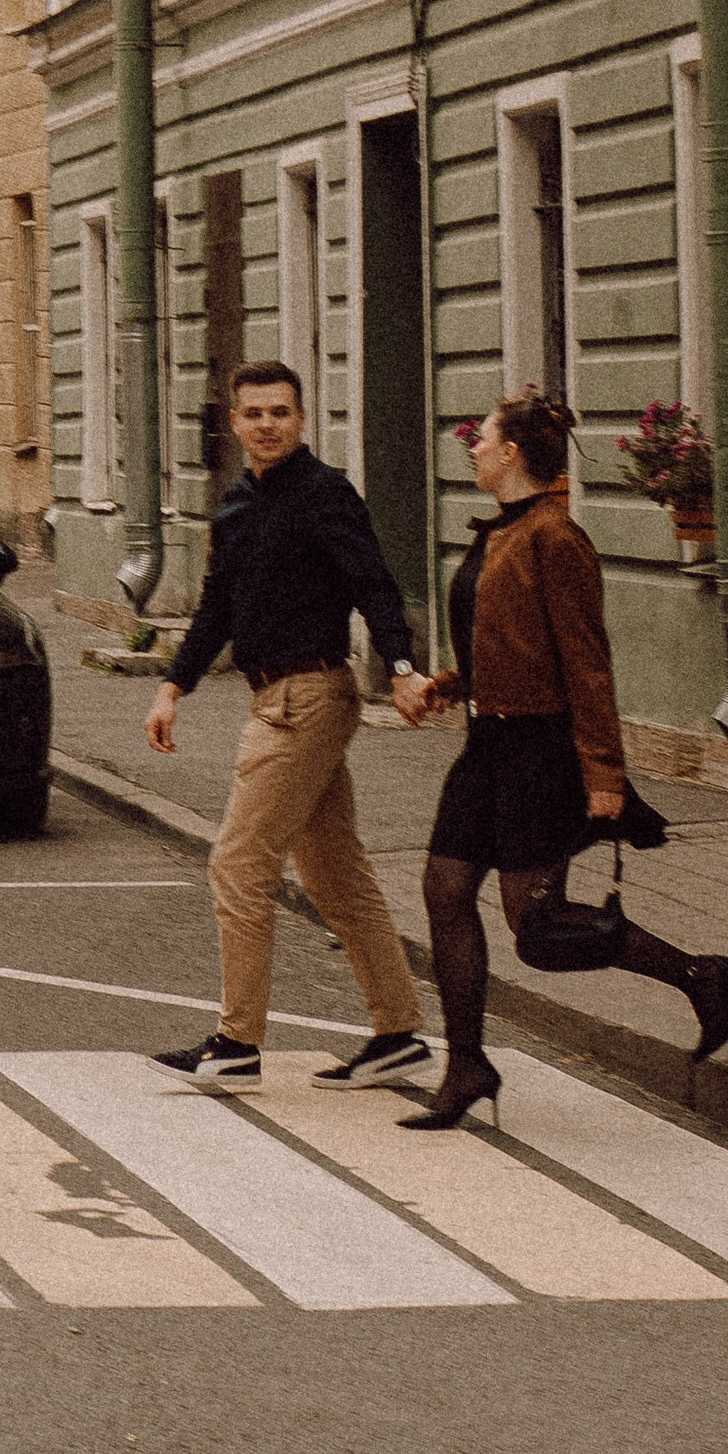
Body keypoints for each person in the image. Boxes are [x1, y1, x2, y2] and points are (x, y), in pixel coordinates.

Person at [409, 390, 728, 1129]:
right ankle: (466, 1065)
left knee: (537, 931)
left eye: (483, 438)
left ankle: (700, 974)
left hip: (541, 750)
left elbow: (586, 665)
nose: (472, 447)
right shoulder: (500, 530)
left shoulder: (557, 538)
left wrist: (605, 778)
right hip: (487, 743)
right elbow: (506, 637)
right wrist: (449, 683)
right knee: (443, 889)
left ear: (512, 454)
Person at [145, 360, 436, 1090]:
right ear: (235, 424)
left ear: (302, 419)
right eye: (253, 414)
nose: (267, 424)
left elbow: (374, 582)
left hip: (306, 698)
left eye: (280, 411)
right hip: (271, 695)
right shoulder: (238, 503)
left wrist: (401, 670)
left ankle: (236, 1045)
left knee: (238, 864)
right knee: (336, 878)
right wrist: (173, 683)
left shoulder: (326, 494)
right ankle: (398, 1033)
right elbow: (217, 605)